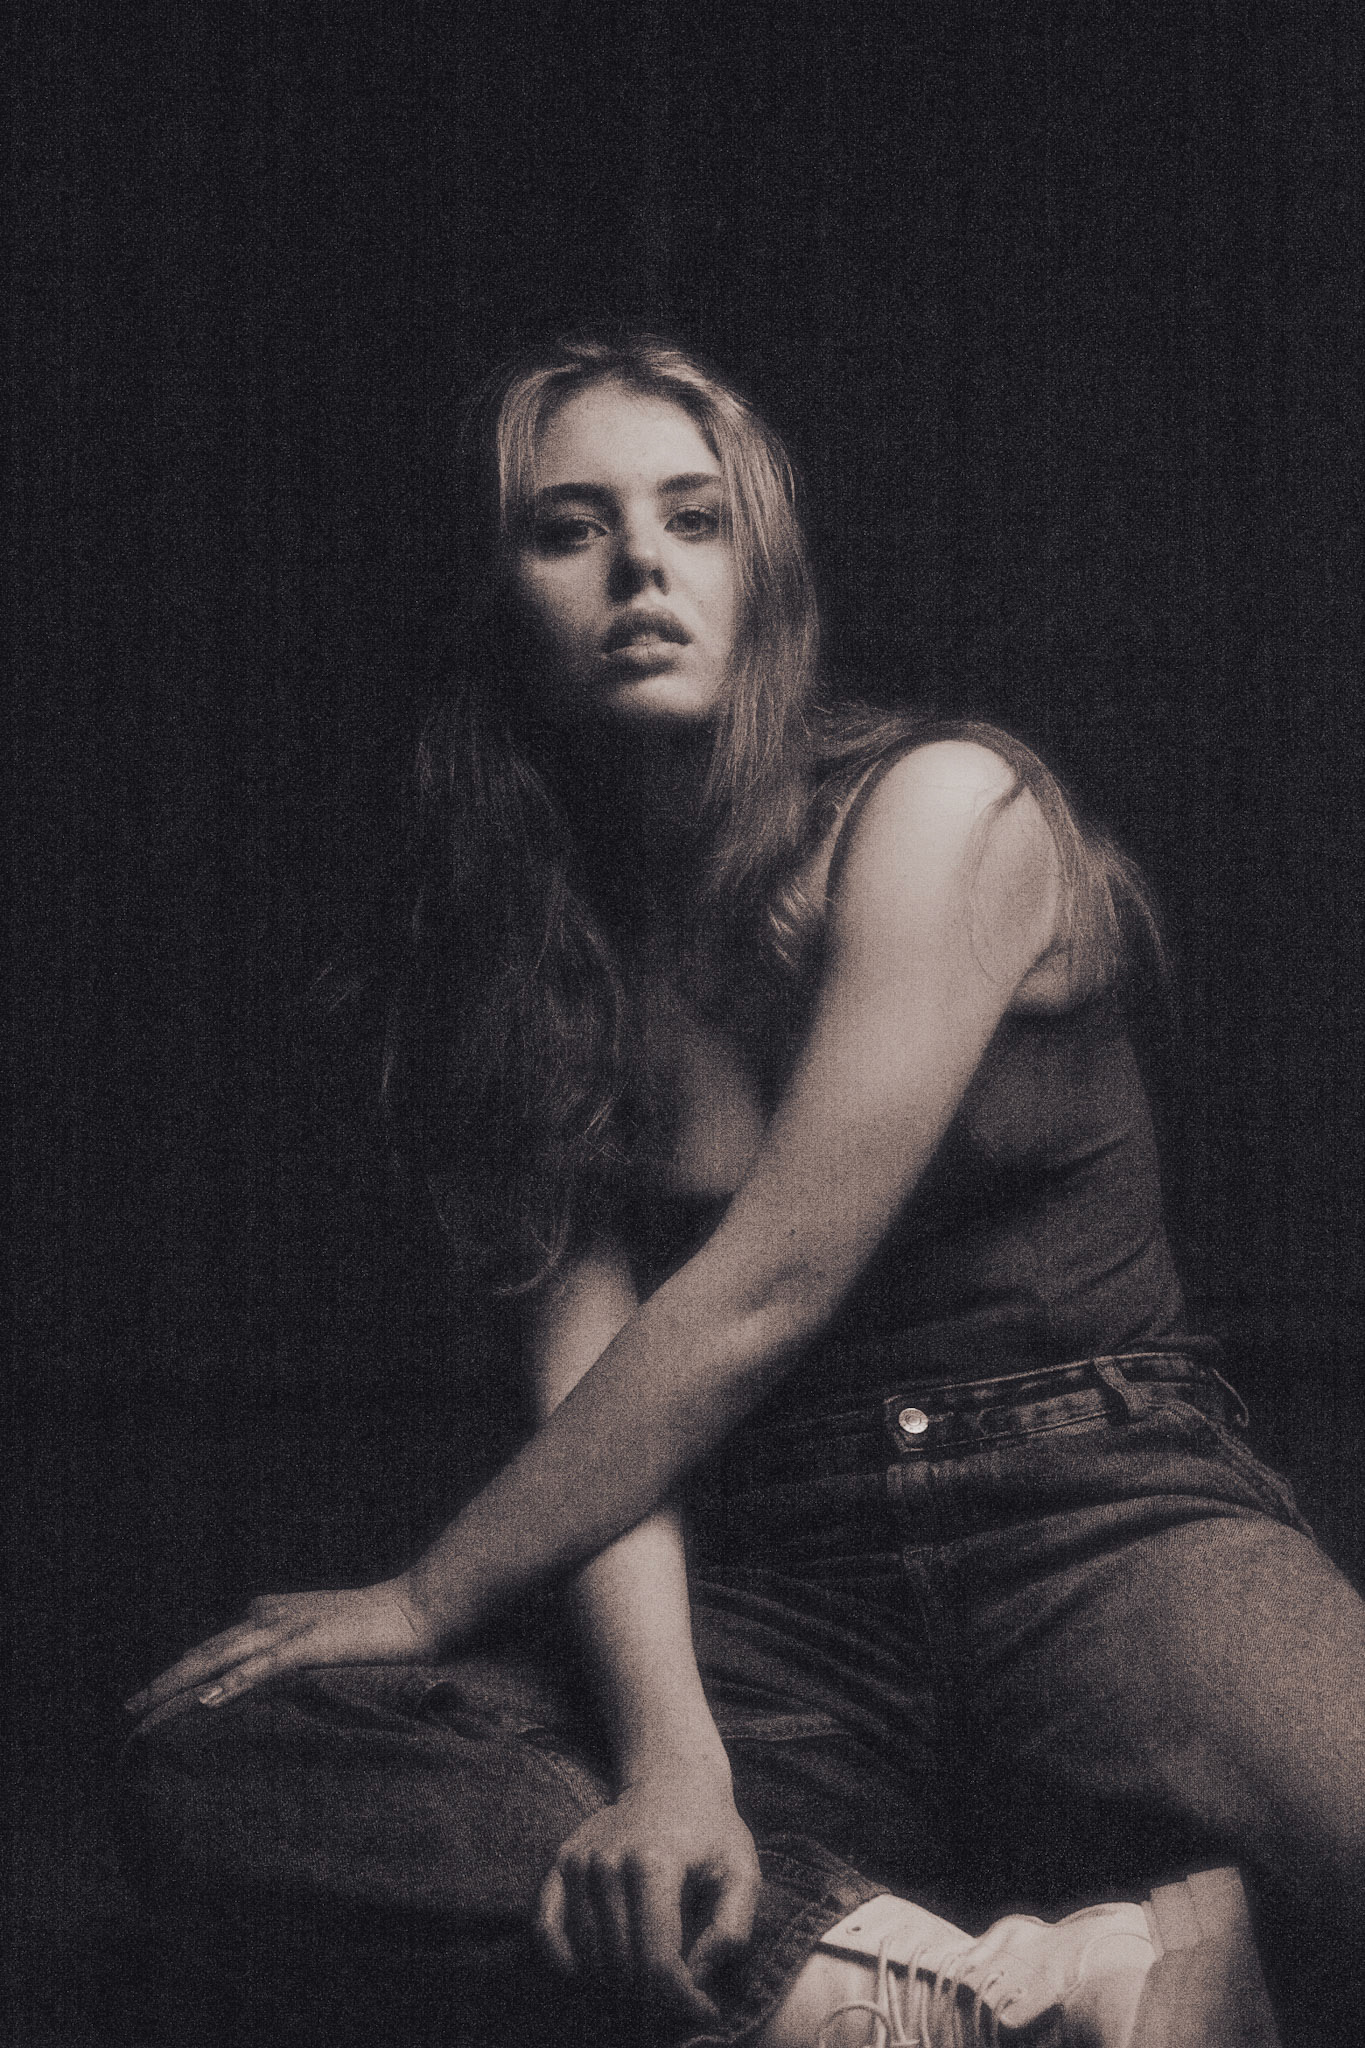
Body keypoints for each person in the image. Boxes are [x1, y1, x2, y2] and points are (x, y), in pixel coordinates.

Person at [120, 335, 1364, 2048]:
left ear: (760, 569)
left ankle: (1055, 1942)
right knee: (224, 1760)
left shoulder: (944, 808)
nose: (642, 566)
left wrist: (428, 1595)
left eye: (693, 519)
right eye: (571, 528)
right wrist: (671, 1762)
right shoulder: (527, 954)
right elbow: (598, 1386)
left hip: (1095, 1515)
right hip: (775, 1584)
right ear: (496, 596)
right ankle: (956, 1998)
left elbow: (762, 1291)